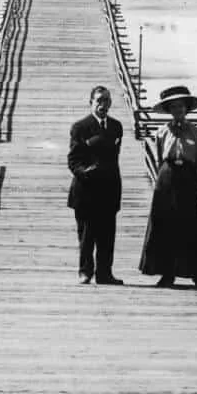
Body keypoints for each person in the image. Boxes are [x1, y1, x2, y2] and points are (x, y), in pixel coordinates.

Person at [138, 85, 197, 288]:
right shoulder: (162, 132)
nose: (178, 110)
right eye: (174, 107)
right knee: (165, 225)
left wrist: (190, 177)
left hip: (187, 178)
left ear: (186, 109)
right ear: (169, 111)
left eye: (181, 107)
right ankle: (167, 273)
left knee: (190, 225)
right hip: (167, 178)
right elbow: (159, 157)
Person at [67, 85, 123, 284]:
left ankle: (105, 273)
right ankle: (85, 272)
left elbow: (115, 158)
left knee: (107, 235)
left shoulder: (116, 127)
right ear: (91, 102)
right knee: (87, 235)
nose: (103, 105)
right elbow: (73, 160)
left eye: (107, 100)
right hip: (86, 191)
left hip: (109, 190)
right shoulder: (80, 127)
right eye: (99, 100)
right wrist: (85, 172)